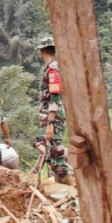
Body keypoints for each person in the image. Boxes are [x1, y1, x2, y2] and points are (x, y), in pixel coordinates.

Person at [37, 36, 69, 182]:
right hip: (51, 117)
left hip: (53, 118)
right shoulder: (52, 67)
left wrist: (50, 121)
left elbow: (54, 95)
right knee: (52, 157)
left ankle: (69, 190)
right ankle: (60, 187)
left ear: (42, 51)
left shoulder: (52, 69)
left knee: (57, 156)